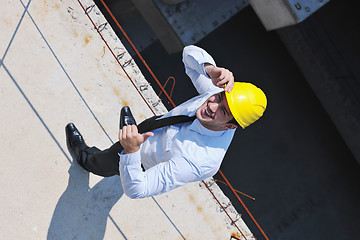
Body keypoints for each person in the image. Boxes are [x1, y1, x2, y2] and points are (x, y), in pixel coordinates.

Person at [66, 45, 267, 199]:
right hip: (155, 126)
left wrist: (131, 151)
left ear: (231, 126)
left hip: (141, 157)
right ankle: (133, 138)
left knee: (106, 161)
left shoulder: (200, 160)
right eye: (219, 97)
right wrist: (210, 69)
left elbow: (138, 190)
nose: (212, 105)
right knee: (137, 139)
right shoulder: (215, 93)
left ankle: (86, 158)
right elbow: (189, 54)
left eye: (223, 110)